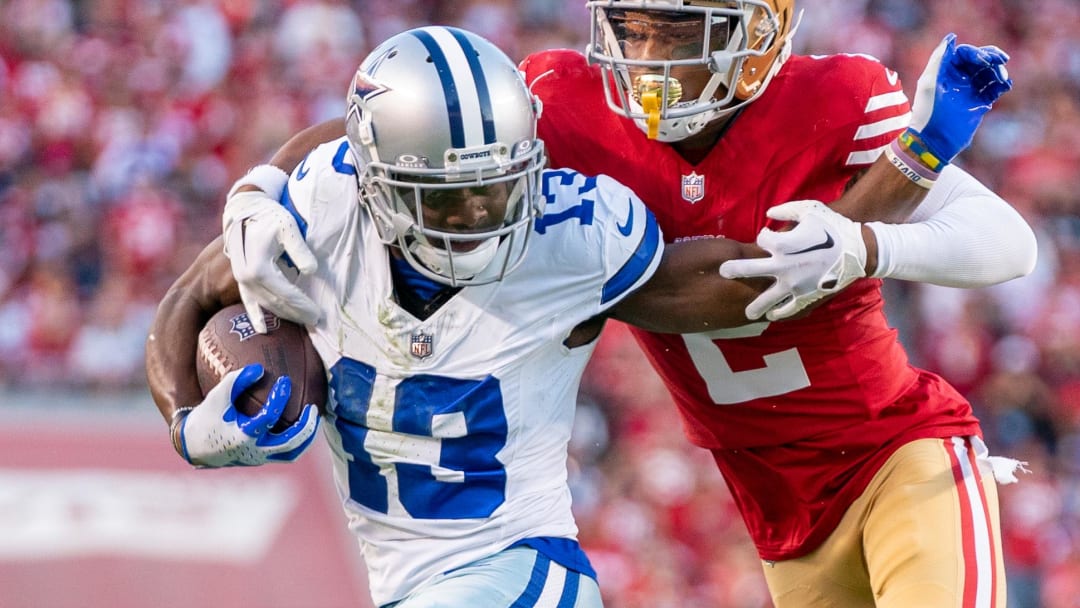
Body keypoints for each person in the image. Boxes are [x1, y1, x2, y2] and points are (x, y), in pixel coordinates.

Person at [220, 5, 1036, 607]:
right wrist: (260, 186)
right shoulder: (567, 107)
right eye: (633, 29)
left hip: (898, 455)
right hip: (779, 508)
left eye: (678, 34)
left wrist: (871, 246)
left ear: (758, 29)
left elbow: (1008, 241)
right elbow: (400, 121)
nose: (647, 60)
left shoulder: (834, 97)